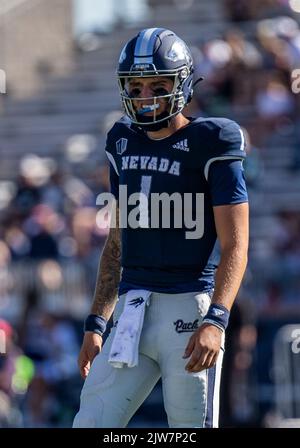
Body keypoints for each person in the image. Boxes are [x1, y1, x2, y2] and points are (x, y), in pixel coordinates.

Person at [73, 27, 249, 428]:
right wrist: (97, 321)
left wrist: (216, 319)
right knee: (90, 422)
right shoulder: (121, 139)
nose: (146, 97)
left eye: (158, 85)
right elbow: (117, 244)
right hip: (132, 310)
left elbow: (236, 245)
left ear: (182, 84)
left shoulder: (213, 139)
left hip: (189, 309)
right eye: (136, 87)